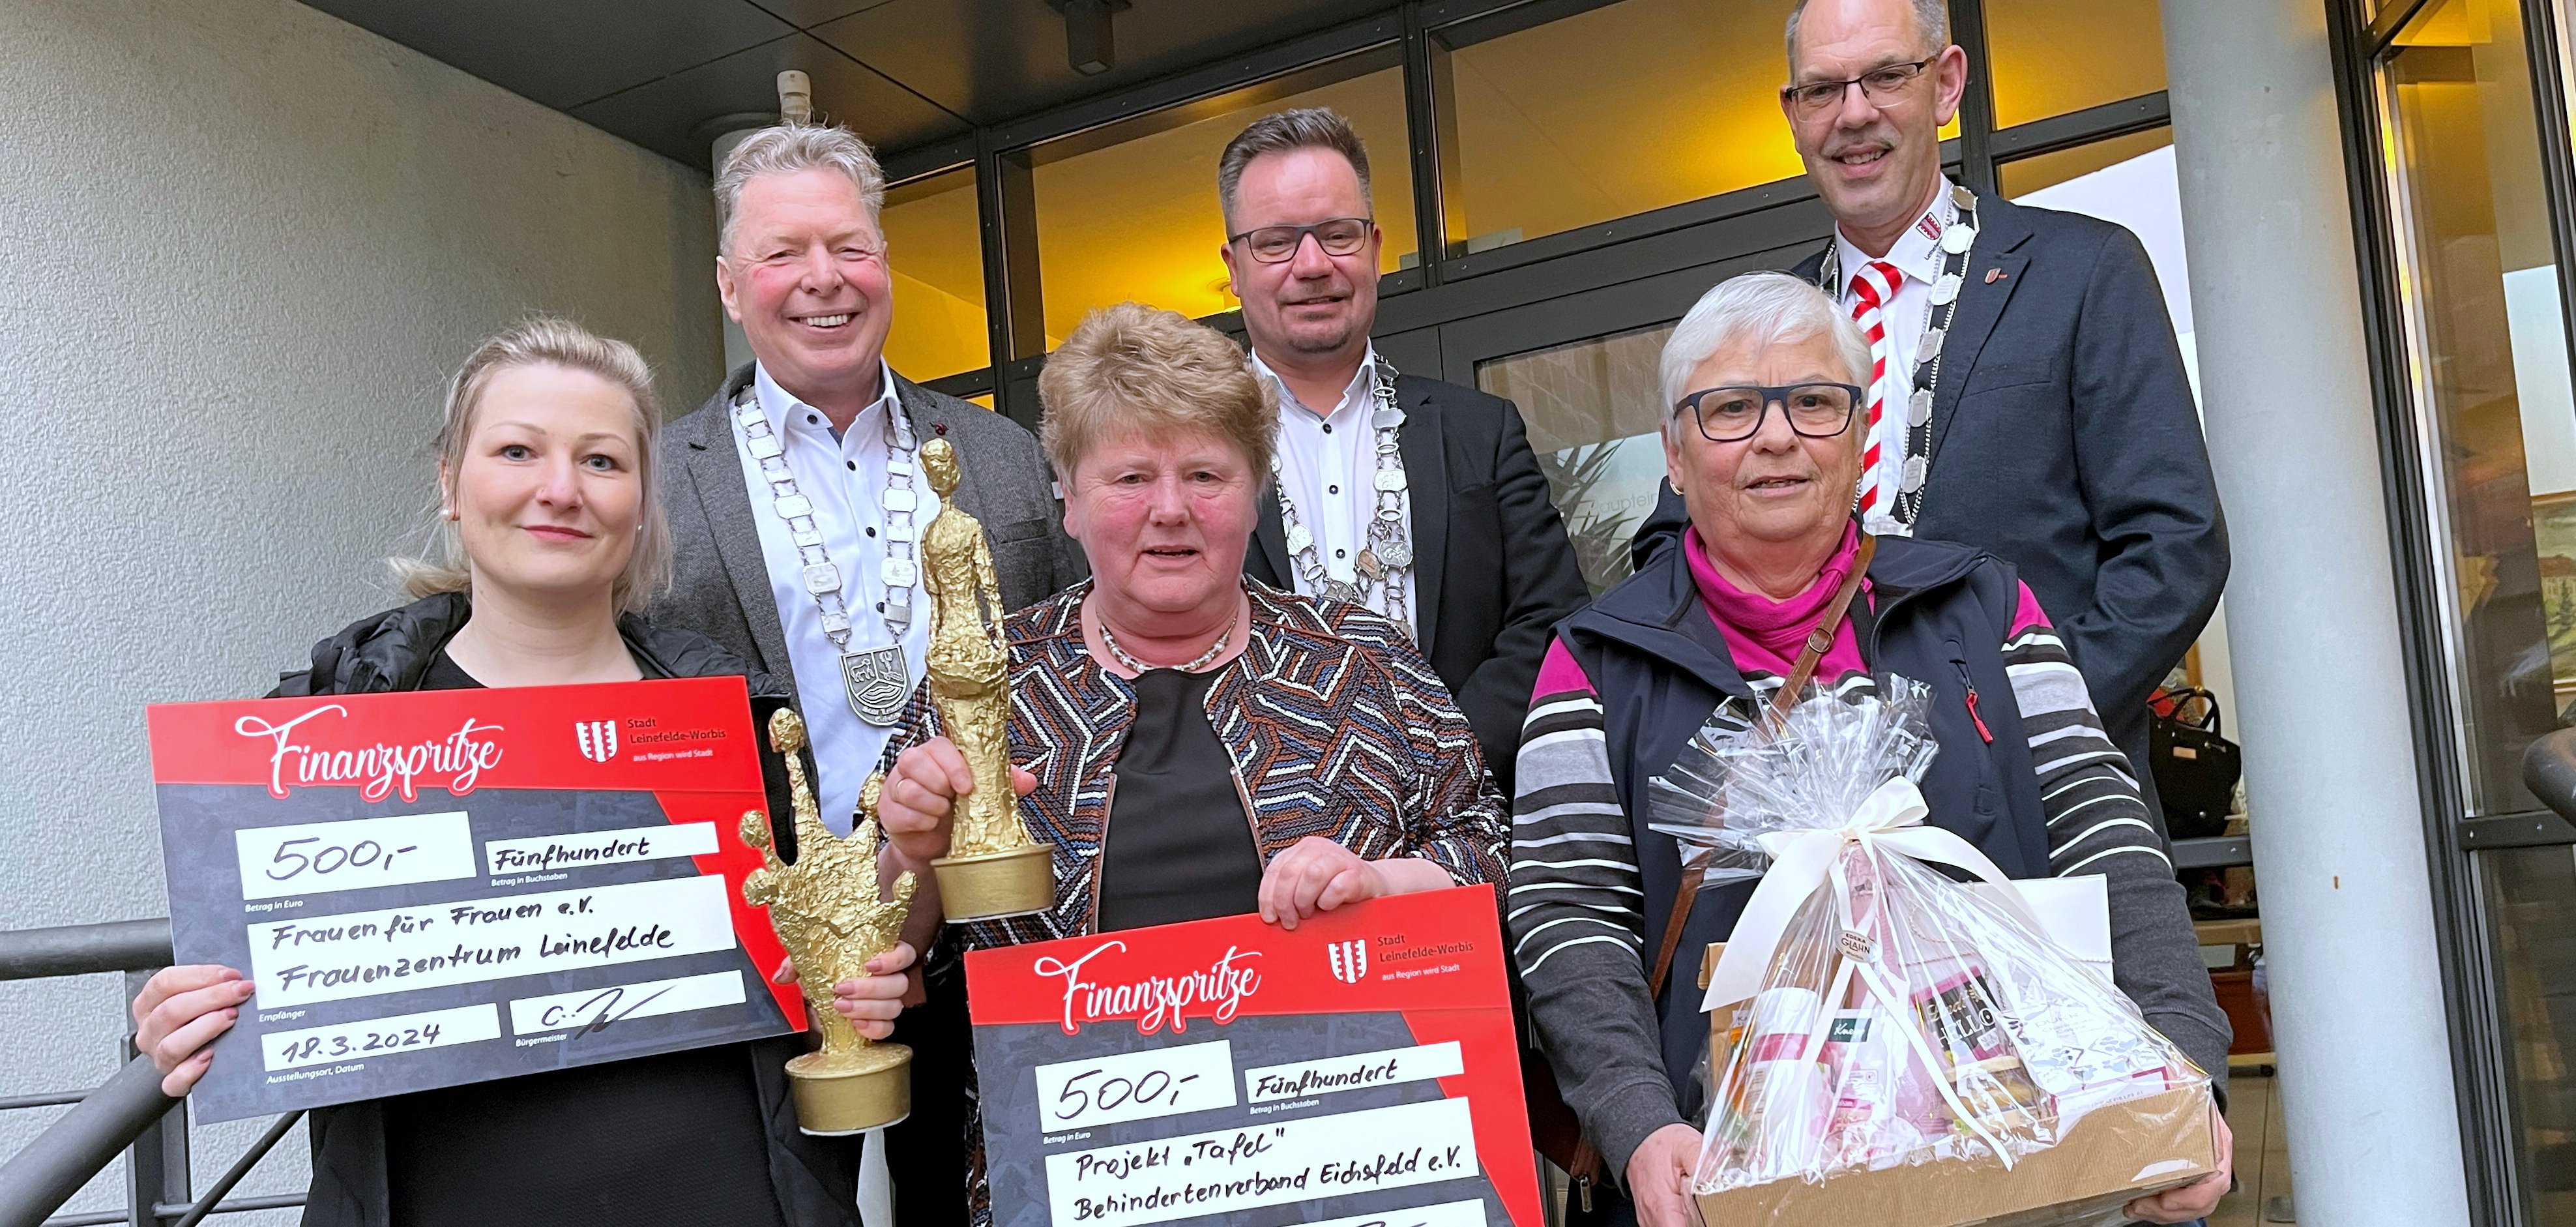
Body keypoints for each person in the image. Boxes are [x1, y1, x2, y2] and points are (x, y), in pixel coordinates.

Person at [127, 318, 915, 1227]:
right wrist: (191, 1014)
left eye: (602, 461)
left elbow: (804, 981)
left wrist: (854, 987)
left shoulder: (734, 718)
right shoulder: (319, 731)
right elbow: (269, 978)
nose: (559, 489)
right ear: (451, 483)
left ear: (643, 501)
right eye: (517, 450)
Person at [1512, 274, 2231, 1227]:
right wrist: (1640, 1125)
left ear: (1860, 439)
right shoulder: (1593, 660)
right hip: (1725, 1188)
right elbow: (1571, 919)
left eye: (1813, 401)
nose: (1777, 436)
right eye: (1730, 408)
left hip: (2019, 1169)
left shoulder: (1989, 609)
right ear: (1676, 456)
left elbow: (2107, 838)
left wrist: (2186, 1062)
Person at [869, 302, 1510, 1224]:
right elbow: (893, 947)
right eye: (1130, 475)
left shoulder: (1362, 661)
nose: (1170, 508)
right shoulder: (980, 688)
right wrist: (911, 850)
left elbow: (1493, 853)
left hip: (1355, 1165)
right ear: (1070, 501)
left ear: (1255, 494)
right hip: (1084, 1179)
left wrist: (1382, 880)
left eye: (1206, 473)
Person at [1632, 0, 2227, 827]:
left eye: (1885, 76)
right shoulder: (1751, 325)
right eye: (1822, 90)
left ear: (1946, 84)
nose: (1854, 114)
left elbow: (2174, 548)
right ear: (1793, 116)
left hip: (2041, 806)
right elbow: (1673, 547)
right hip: (1806, 827)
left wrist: (2024, 726)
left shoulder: (2083, 271)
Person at [654, 121, 1082, 1222]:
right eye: (783, 254)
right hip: (778, 951)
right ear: (728, 284)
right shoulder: (657, 481)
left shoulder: (998, 454)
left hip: (988, 923)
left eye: (847, 246)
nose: (821, 281)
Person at [1216, 108, 1590, 793]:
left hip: (1464, 829)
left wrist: (1444, 758)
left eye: (1337, 234)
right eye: (1275, 242)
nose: (1312, 265)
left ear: (1375, 247)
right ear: (1233, 266)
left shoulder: (1480, 430)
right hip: (1259, 837)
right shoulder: (1190, 453)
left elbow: (1552, 617)